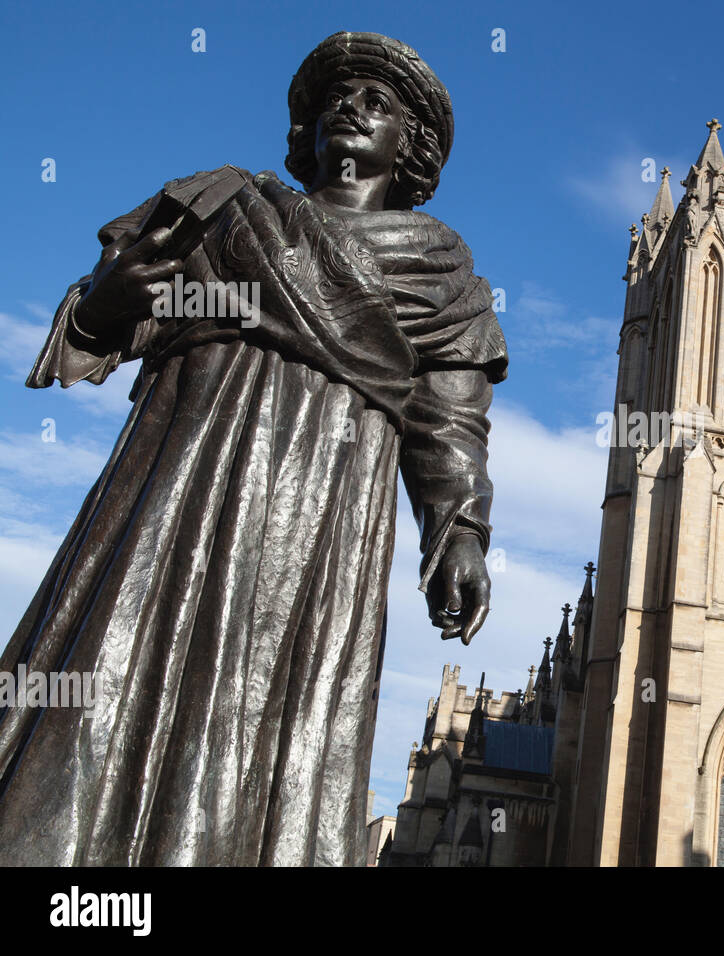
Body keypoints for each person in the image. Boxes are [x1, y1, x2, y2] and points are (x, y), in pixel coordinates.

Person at [0, 32, 506, 866]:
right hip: (181, 482)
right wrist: (101, 305)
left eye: (377, 103)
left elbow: (450, 423)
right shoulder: (221, 211)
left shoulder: (444, 278)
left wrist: (459, 531)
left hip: (326, 512)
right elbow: (89, 330)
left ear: (407, 146)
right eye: (335, 98)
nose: (350, 109)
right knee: (106, 690)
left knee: (282, 718)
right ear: (305, 130)